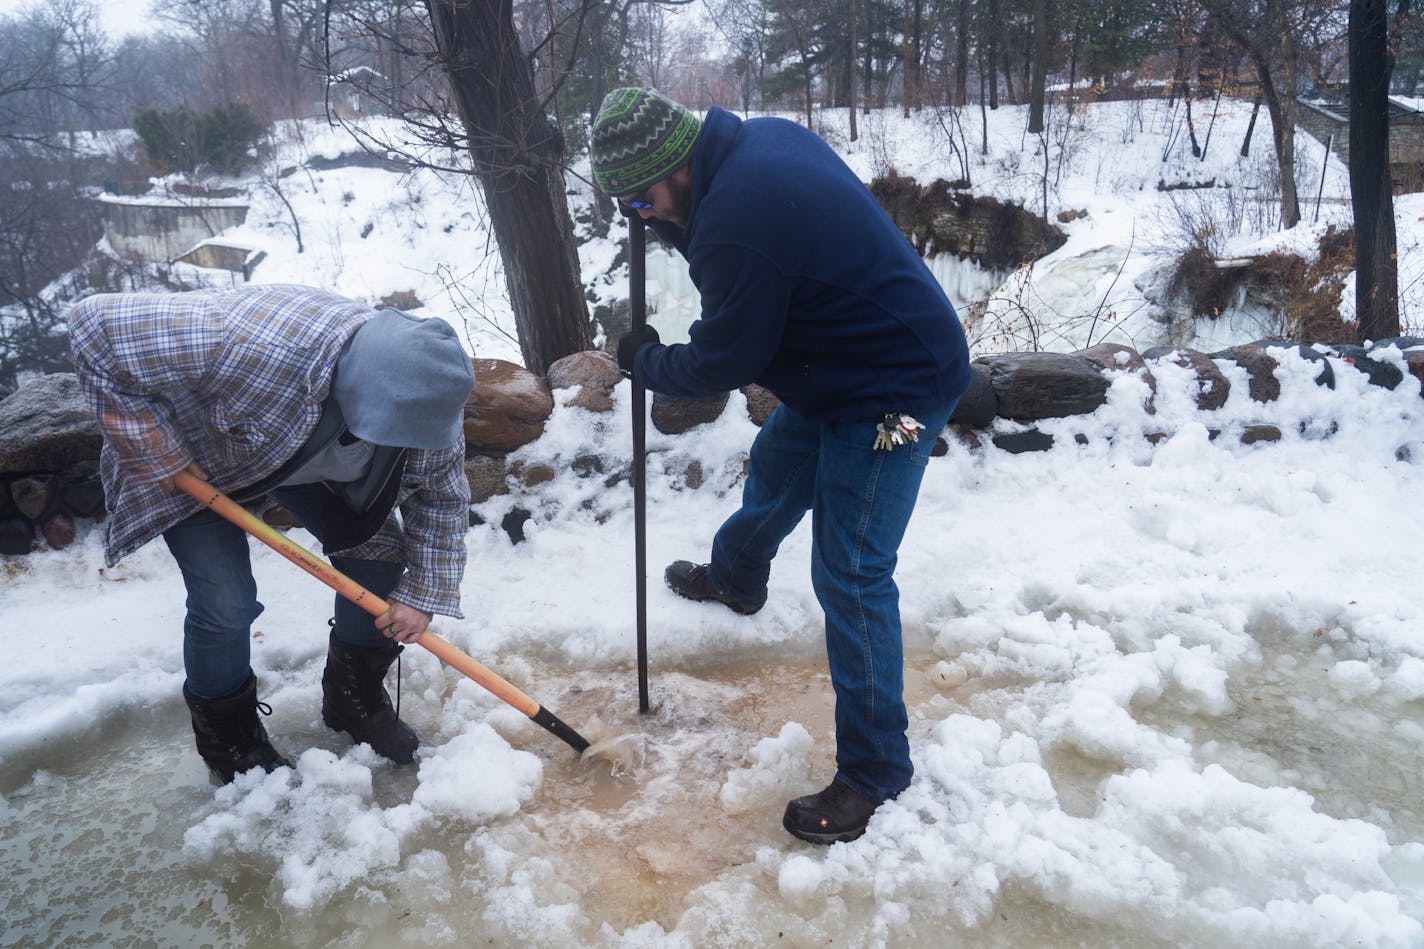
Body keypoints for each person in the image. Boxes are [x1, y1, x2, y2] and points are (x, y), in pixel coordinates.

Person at [591, 87, 972, 844]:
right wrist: (657, 217)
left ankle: (875, 772)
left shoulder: (737, 222)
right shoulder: (751, 145)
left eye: (642, 202)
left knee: (851, 569)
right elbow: (722, 245)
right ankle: (737, 576)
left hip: (900, 396)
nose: (645, 217)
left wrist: (648, 361)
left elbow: (724, 358)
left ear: (673, 169)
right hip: (839, 371)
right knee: (779, 461)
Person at [68, 285, 475, 784]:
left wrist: (425, 593)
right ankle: (230, 740)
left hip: (297, 461)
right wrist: (159, 452)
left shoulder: (429, 397)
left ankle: (352, 699)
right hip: (197, 462)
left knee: (379, 564)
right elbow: (94, 324)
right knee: (226, 603)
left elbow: (442, 497)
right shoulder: (244, 339)